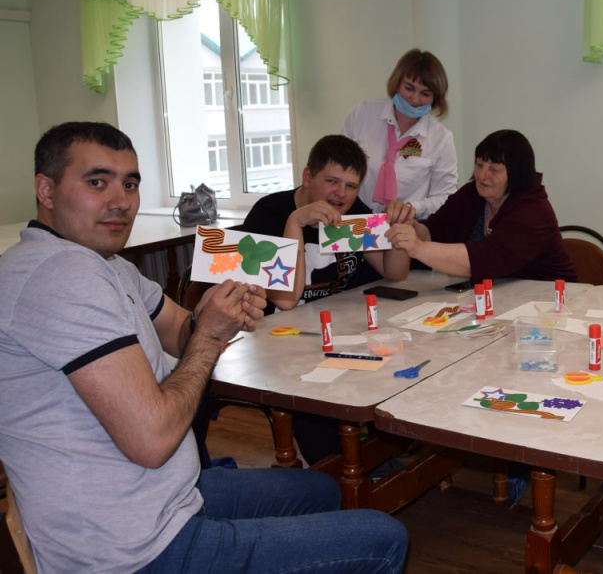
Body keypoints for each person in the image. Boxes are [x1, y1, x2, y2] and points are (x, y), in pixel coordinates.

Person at [0, 122, 407, 573]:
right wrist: (211, 335)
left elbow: (179, 331)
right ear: (46, 190)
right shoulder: (59, 275)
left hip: (168, 493)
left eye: (130, 183)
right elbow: (152, 440)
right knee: (384, 538)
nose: (121, 201)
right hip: (134, 547)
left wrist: (217, 312)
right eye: (97, 182)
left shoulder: (109, 266)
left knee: (321, 489)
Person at [240, 134, 409, 314]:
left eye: (351, 186)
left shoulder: (352, 211)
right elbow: (285, 301)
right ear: (307, 178)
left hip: (332, 321)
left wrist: (397, 226)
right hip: (275, 331)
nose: (341, 193)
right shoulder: (268, 214)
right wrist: (295, 223)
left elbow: (394, 273)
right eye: (332, 181)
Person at [387, 129, 577, 282]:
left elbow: (487, 260)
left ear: (516, 173)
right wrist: (410, 226)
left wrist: (417, 248)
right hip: (498, 297)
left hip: (550, 301)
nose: (482, 175)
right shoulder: (472, 194)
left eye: (494, 169)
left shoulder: (533, 211)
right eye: (479, 165)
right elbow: (433, 232)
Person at [342, 48, 458, 219]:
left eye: (425, 94)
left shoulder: (441, 138)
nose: (415, 99)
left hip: (405, 229)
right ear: (397, 83)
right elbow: (337, 168)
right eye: (409, 88)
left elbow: (446, 197)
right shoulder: (361, 114)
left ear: (436, 98)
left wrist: (412, 208)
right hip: (354, 221)